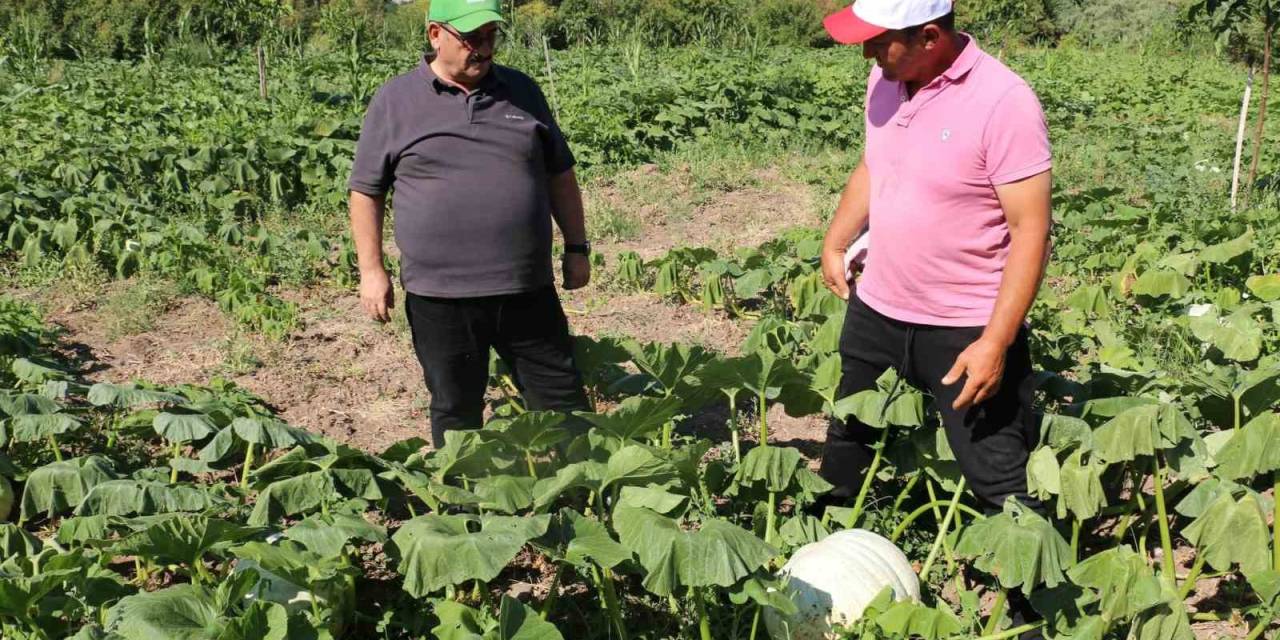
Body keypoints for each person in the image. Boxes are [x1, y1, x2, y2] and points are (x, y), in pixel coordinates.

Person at [817, 0, 1053, 635]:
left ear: (928, 35)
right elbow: (874, 163)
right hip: (878, 305)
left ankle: (1035, 611)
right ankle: (815, 569)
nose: (866, 55)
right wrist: (837, 239)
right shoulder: (888, 77)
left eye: (878, 43)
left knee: (994, 469)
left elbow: (1031, 232)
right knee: (848, 438)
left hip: (963, 324)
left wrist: (997, 341)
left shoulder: (1004, 102)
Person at [346, 0, 592, 448]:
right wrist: (371, 269)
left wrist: (577, 247)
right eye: (471, 37)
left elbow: (560, 175)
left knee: (562, 401)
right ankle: (464, 510)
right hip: (441, 296)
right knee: (457, 408)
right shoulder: (396, 100)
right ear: (435, 34)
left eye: (490, 36)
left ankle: (578, 496)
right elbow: (366, 191)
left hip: (525, 287)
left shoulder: (522, 91)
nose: (483, 48)